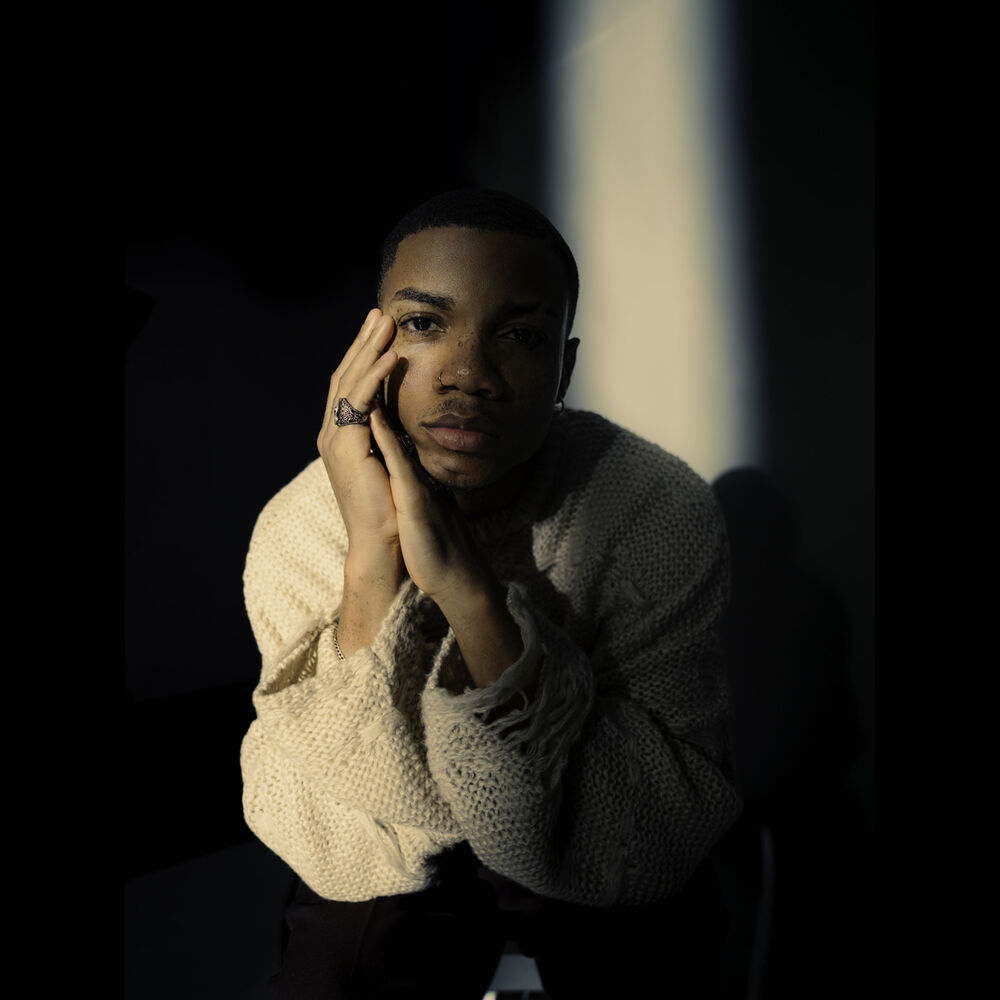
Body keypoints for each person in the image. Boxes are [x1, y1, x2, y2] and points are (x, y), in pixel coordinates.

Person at [240, 188, 742, 998]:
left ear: (563, 369)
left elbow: (651, 830)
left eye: (520, 335)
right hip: (399, 853)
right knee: (344, 955)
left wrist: (469, 594)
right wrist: (372, 559)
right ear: (369, 346)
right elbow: (343, 846)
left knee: (647, 949)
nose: (469, 375)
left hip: (587, 826)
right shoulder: (303, 526)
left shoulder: (654, 508)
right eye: (424, 324)